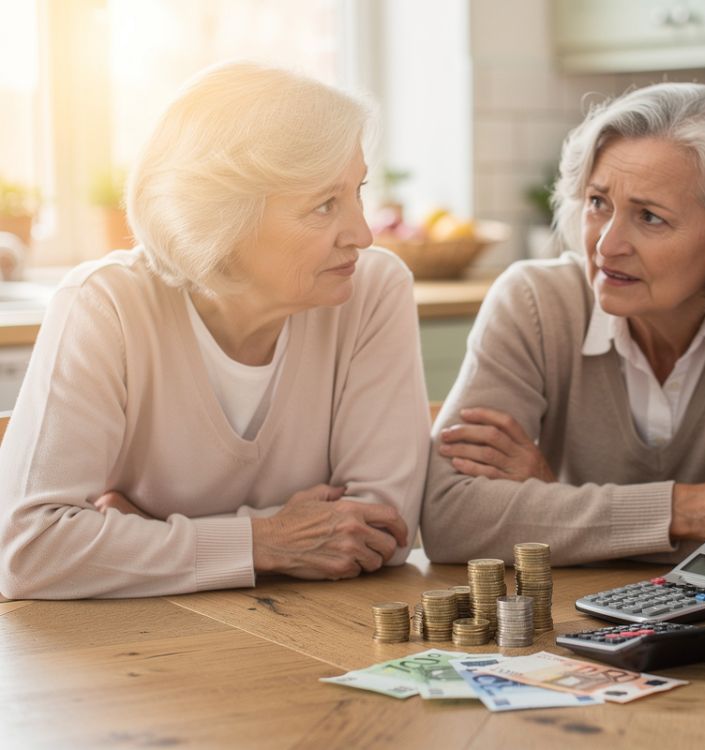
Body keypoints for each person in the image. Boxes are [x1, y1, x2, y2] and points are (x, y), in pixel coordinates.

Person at [0, 62, 428, 599]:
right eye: (324, 204)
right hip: (135, 654)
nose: (362, 235)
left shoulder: (372, 290)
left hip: (317, 636)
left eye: (357, 191)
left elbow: (382, 530)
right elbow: (30, 551)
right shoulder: (106, 304)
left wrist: (147, 535)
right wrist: (263, 542)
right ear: (223, 219)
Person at [422, 82, 705, 570]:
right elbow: (448, 521)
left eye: (650, 217)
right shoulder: (533, 301)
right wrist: (688, 511)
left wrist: (556, 507)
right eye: (597, 203)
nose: (606, 246)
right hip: (565, 625)